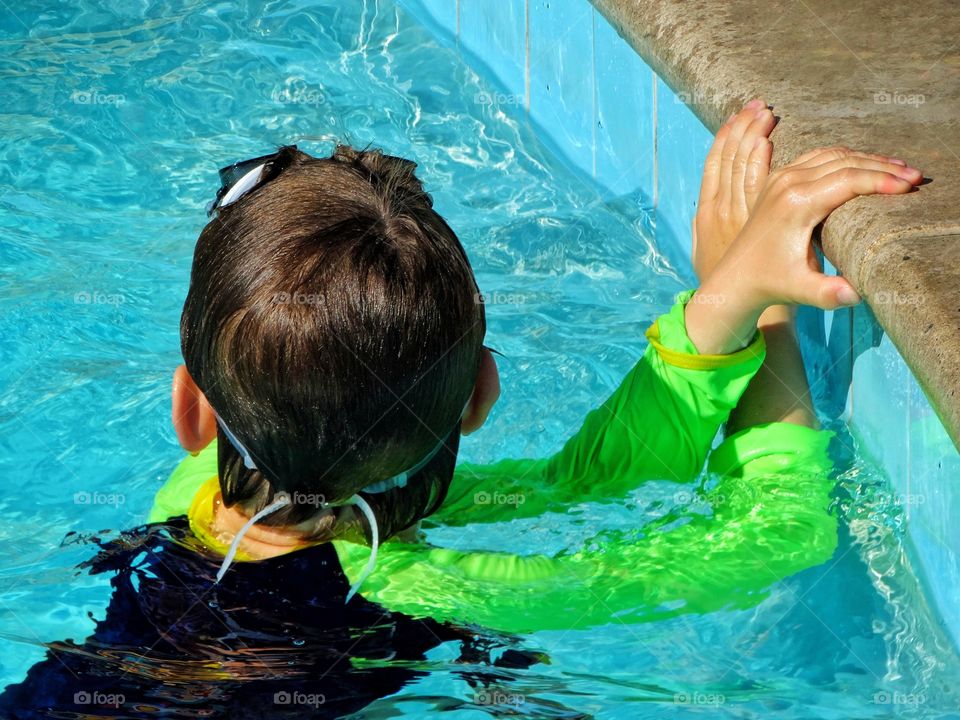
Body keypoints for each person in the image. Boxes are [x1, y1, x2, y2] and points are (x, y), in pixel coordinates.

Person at [0, 100, 922, 717]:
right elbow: (780, 533)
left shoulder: (193, 487)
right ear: (482, 395)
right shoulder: (427, 591)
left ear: (191, 409)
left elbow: (585, 480)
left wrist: (722, 304)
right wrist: (766, 313)